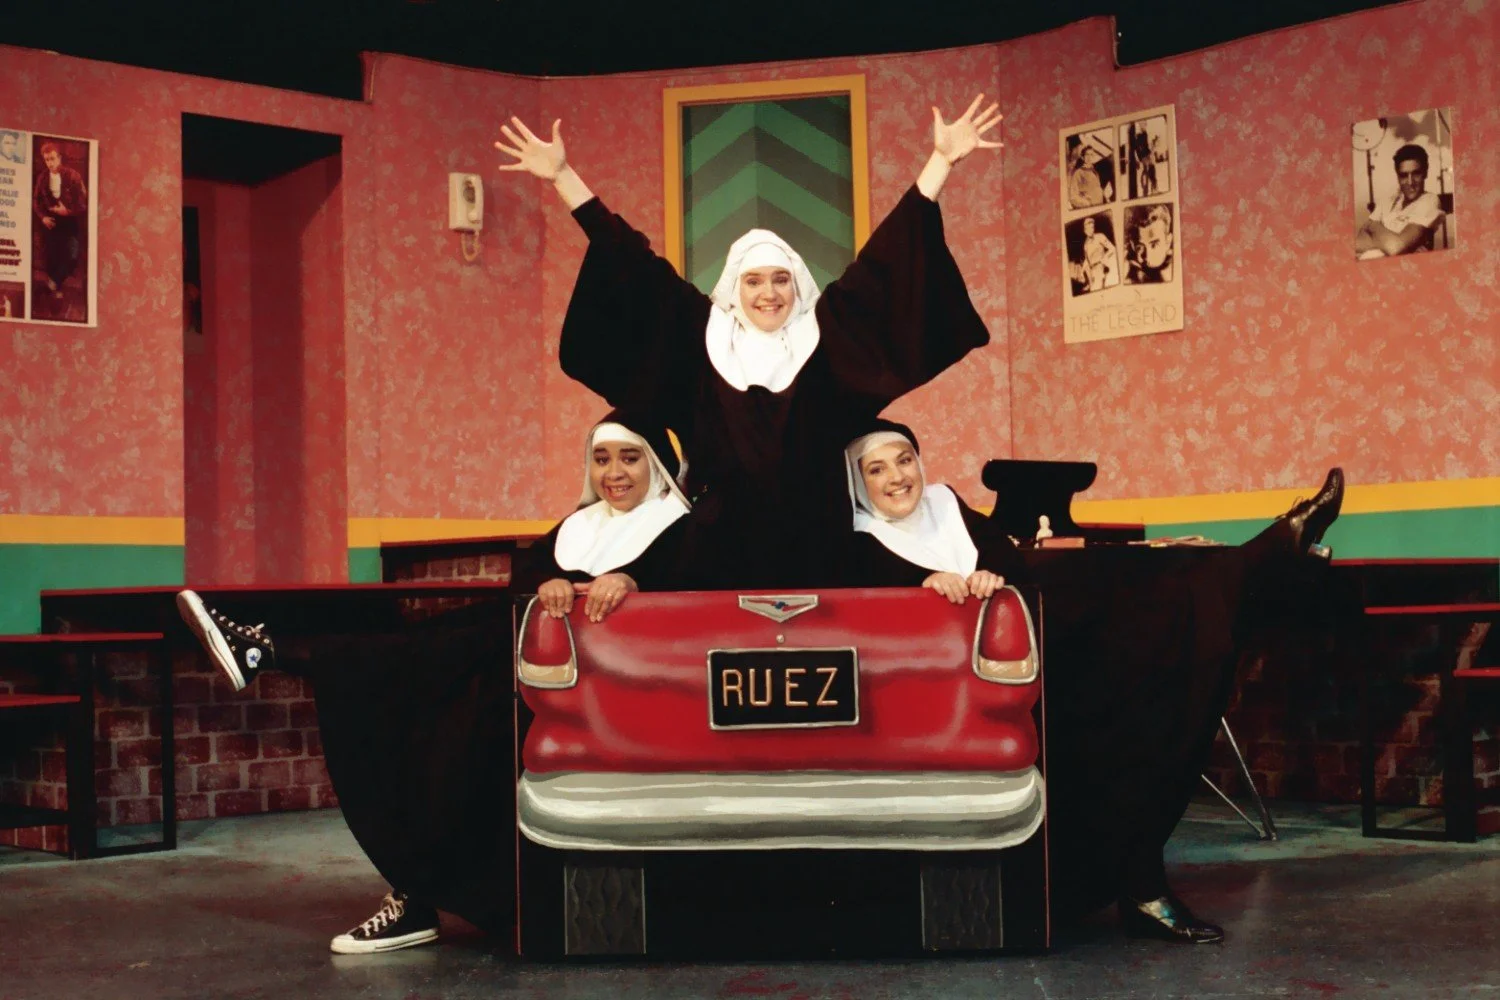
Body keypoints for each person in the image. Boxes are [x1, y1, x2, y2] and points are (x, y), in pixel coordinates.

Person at [175, 411, 688, 954]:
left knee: (417, 669)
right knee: (412, 712)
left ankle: (271, 650)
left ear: (656, 465)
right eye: (601, 458)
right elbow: (528, 573)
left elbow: (695, 586)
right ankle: (414, 894)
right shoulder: (581, 524)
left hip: (593, 695)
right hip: (517, 674)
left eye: (630, 458)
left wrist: (635, 582)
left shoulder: (680, 527)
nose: (614, 473)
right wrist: (549, 581)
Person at [842, 420, 1347, 944]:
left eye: (905, 460)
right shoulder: (858, 539)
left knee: (1153, 659)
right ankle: (1273, 555)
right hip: (961, 710)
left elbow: (1008, 561)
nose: (898, 477)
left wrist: (987, 574)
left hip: (1034, 678)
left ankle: (1263, 556)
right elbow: (870, 610)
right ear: (858, 483)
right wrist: (921, 586)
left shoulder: (946, 505)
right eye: (876, 469)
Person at [495, 94, 1000, 590]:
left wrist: (940, 162)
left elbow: (888, 258)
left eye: (781, 279)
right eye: (754, 281)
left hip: (820, 548)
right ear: (734, 289)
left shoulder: (827, 339)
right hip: (716, 551)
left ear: (798, 286)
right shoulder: (699, 337)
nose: (769, 293)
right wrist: (564, 178)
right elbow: (629, 261)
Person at [1356, 143, 1444, 258]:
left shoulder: (1429, 200)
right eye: (1403, 175)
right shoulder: (1388, 201)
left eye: (1416, 173)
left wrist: (1372, 226)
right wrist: (1390, 241)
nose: (1410, 182)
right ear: (1398, 177)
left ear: (1425, 173)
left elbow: (1395, 248)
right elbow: (1357, 243)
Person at [32, 142, 88, 304]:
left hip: (70, 222)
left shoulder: (73, 176)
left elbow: (84, 204)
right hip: (51, 222)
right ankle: (56, 289)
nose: (50, 163)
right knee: (53, 257)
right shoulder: (43, 177)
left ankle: (51, 284)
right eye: (47, 160)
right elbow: (36, 201)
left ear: (60, 158)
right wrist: (43, 217)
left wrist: (68, 211)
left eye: (53, 159)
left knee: (72, 256)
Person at [1125, 204, 1174, 284]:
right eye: (1140, 247)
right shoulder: (1130, 269)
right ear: (1133, 245)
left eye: (1154, 245)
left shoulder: (1174, 270)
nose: (1147, 256)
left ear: (1168, 242)